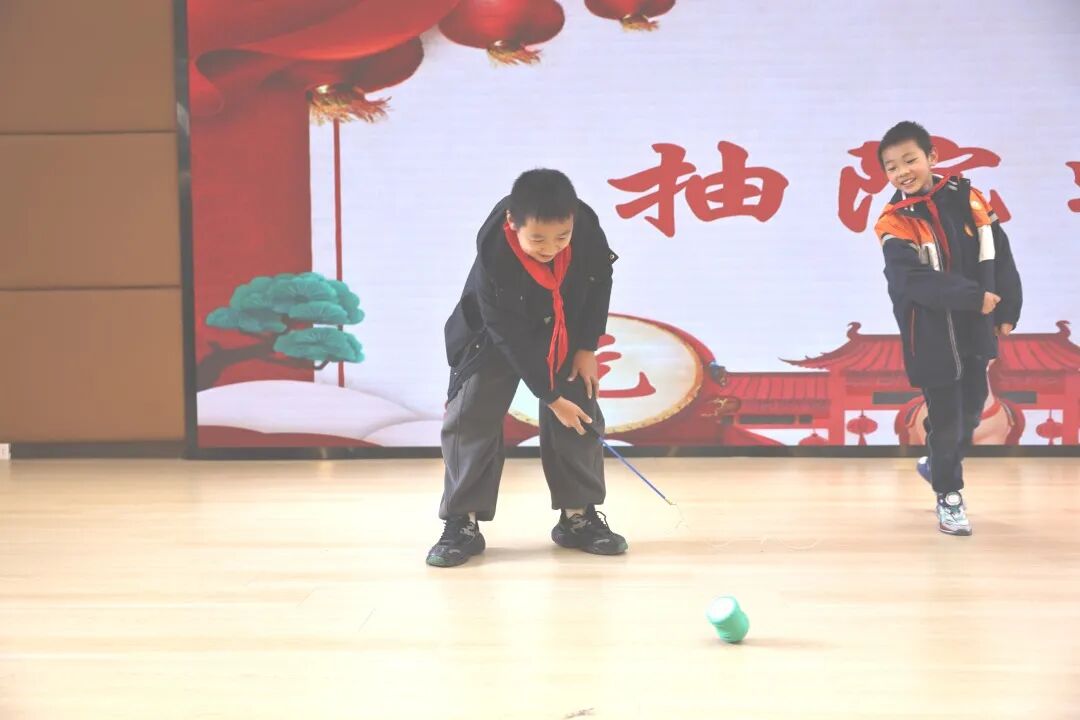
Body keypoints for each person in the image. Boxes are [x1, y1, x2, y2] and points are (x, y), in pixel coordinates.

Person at [427, 169, 628, 567]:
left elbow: (600, 278)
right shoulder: (494, 251)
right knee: (471, 415)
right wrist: (550, 397)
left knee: (579, 411)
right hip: (493, 333)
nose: (550, 247)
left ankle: (577, 516)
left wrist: (587, 346)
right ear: (512, 223)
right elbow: (507, 335)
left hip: (564, 324)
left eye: (561, 237)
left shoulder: (585, 226)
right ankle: (461, 522)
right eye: (537, 239)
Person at [874, 121, 1023, 535]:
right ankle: (949, 495)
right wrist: (972, 296)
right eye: (891, 167)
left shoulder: (970, 199)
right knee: (946, 420)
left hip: (975, 327)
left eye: (910, 160)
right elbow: (911, 281)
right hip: (930, 335)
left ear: (932, 157)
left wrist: (1008, 306)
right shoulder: (893, 222)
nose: (902, 172)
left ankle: (936, 462)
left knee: (972, 410)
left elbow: (1000, 250)